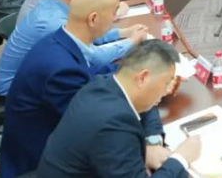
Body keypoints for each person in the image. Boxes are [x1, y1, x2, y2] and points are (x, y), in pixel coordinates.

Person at [2, 0, 155, 178]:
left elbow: (92, 73)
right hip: (40, 161)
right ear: (93, 19)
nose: (115, 18)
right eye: (114, 12)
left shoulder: (61, 39)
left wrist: (133, 72)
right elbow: (95, 125)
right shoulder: (61, 70)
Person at [37, 40, 200, 178]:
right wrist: (181, 158)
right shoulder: (114, 125)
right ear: (143, 78)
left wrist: (152, 142)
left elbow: (145, 105)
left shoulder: (102, 84)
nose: (166, 91)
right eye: (166, 82)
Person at [0, 0, 147, 97]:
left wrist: (122, 33)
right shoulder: (52, 22)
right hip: (18, 92)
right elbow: (93, 57)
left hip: (43, 80)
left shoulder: (55, 3)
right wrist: (131, 41)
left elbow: (88, 35)